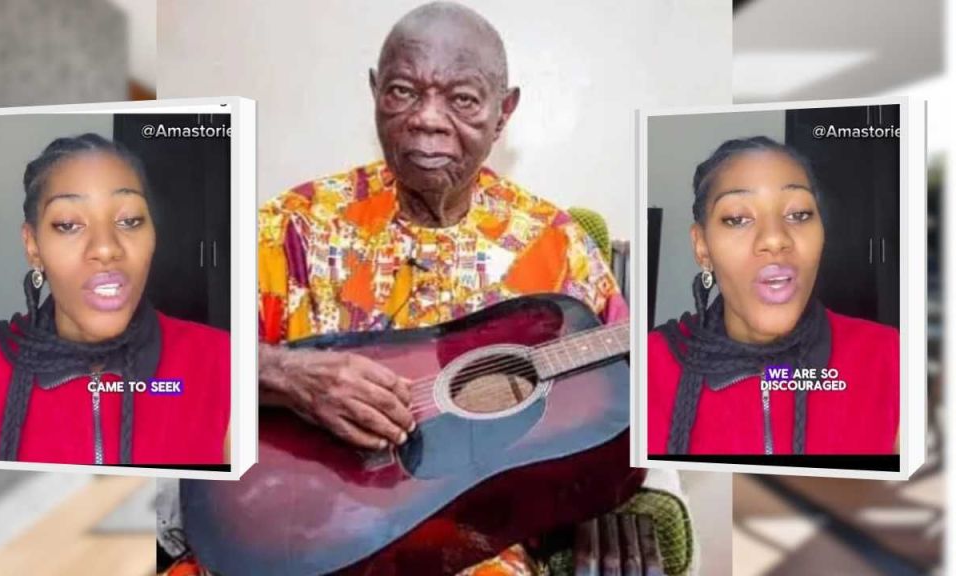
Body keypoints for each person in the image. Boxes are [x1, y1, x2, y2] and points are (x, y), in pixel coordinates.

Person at [244, 3, 628, 575]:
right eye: (402, 91)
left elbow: (633, 391)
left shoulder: (553, 246)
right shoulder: (291, 225)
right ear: (374, 93)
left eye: (463, 99)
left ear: (504, 114)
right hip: (291, 529)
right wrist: (286, 375)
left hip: (475, 551)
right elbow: (170, 371)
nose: (426, 118)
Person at [0, 133, 230, 466]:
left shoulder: (223, 362)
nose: (106, 247)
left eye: (129, 221)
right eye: (68, 224)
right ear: (33, 246)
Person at [647, 136, 899, 456]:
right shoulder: (646, 368)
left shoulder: (891, 357)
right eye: (737, 218)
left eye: (798, 214)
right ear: (702, 247)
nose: (775, 238)